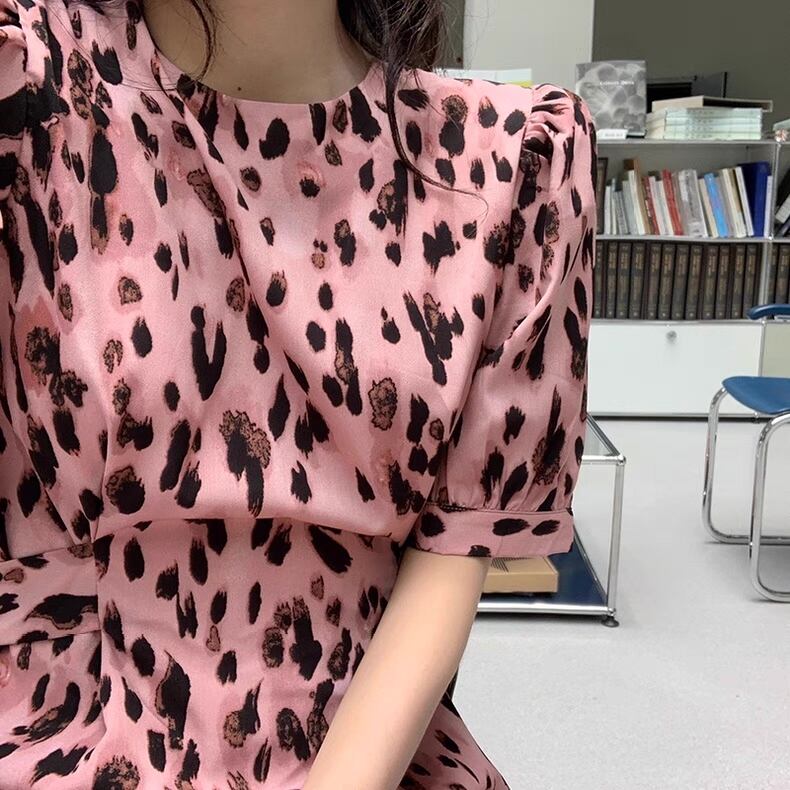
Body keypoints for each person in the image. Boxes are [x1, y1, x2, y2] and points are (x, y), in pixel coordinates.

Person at [0, 0, 596, 785]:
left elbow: (452, 552)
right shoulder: (28, 96)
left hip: (364, 749)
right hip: (54, 733)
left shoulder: (513, 163)